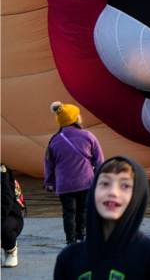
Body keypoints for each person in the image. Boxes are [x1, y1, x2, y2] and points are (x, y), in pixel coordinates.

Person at [52, 156, 150, 279]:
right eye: (105, 183)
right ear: (93, 190)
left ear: (138, 196)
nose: (113, 192)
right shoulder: (69, 258)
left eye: (125, 186)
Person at [44, 101, 103, 244]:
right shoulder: (88, 136)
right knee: (83, 211)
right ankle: (81, 237)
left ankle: (70, 241)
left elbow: (48, 164)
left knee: (68, 213)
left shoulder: (54, 140)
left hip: (64, 185)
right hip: (86, 182)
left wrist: (49, 182)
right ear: (76, 118)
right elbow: (99, 160)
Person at [2, 163, 25, 268]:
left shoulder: (3, 175)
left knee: (5, 228)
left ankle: (11, 250)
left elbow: (7, 202)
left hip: (11, 216)